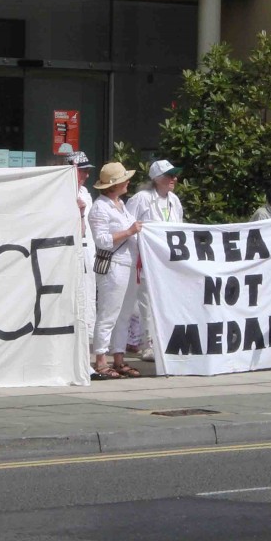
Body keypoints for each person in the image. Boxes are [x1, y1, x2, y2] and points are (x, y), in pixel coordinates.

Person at [88, 162, 142, 379]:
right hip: (113, 266)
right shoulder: (100, 208)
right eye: (124, 180)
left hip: (128, 264)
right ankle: (100, 359)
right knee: (108, 313)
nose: (128, 182)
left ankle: (118, 357)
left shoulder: (121, 204)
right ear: (114, 185)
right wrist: (129, 231)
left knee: (124, 314)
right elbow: (101, 241)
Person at [127, 159, 184, 362]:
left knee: (165, 302)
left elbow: (180, 230)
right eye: (170, 175)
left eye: (175, 175)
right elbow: (129, 227)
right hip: (146, 260)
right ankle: (147, 343)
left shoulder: (174, 200)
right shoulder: (141, 199)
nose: (174, 179)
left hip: (167, 262)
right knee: (146, 303)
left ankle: (164, 341)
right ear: (157, 178)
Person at [66, 151, 97, 357]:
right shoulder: (60, 191)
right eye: (82, 170)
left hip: (88, 250)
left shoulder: (85, 192)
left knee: (88, 297)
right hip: (70, 250)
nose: (85, 175)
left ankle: (86, 350)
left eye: (87, 171)